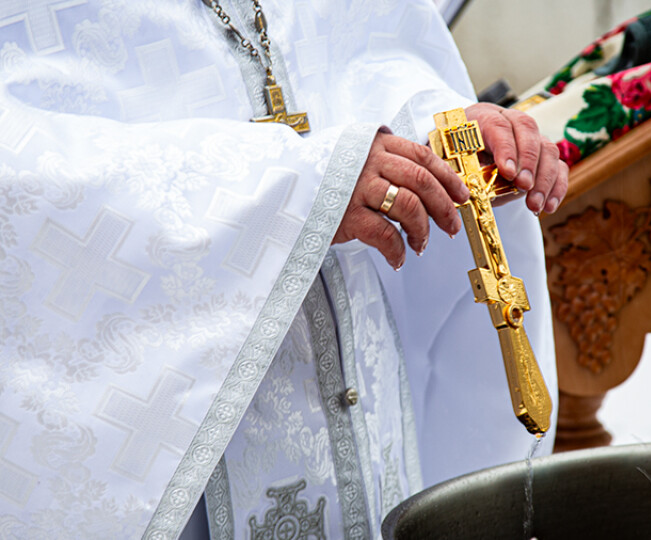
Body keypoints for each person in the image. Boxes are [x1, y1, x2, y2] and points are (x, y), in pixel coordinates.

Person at [0, 1, 566, 538]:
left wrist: (444, 134)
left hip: (365, 372)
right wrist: (289, 183)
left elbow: (373, 53)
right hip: (170, 423)